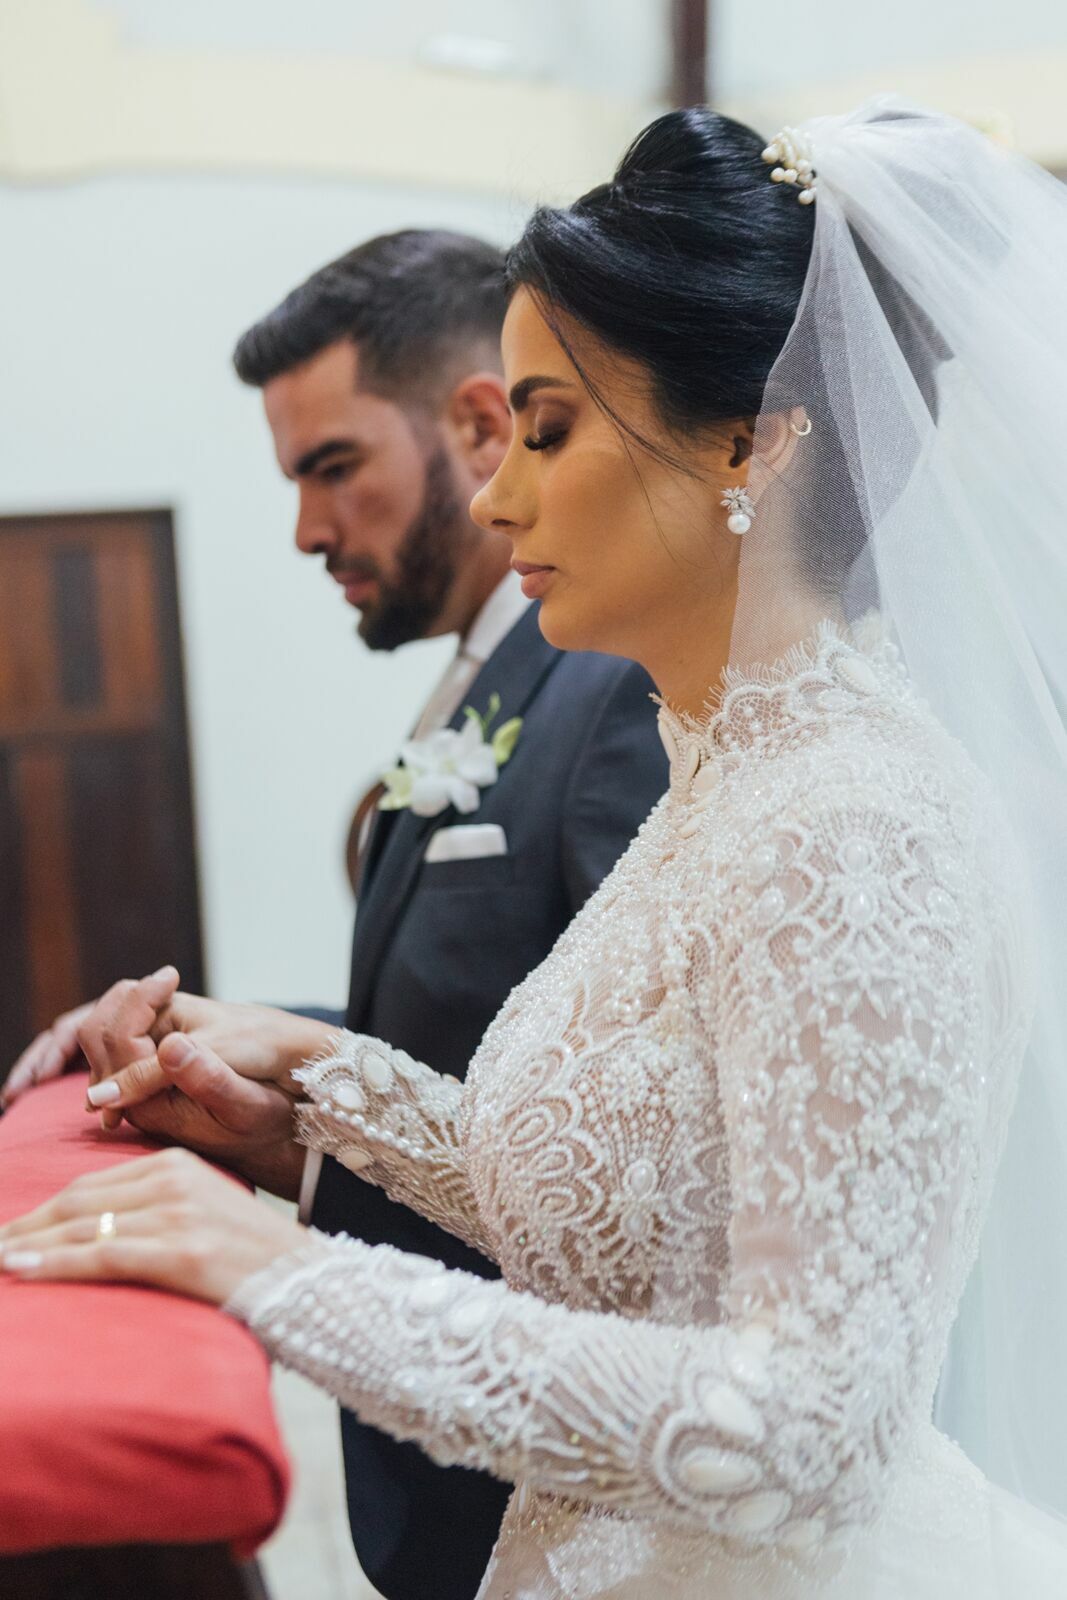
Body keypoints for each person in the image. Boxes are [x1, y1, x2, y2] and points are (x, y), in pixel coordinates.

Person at [6, 98, 1067, 1598]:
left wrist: (278, 1274)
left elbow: (814, 1430)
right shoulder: (735, 773)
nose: (501, 495)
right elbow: (632, 1193)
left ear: (747, 448)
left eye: (549, 430)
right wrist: (314, 1107)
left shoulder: (852, 823)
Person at [1, 231, 667, 1600]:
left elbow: (638, 1160)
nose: (308, 530)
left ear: (481, 427)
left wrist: (297, 1193)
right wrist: (222, 1035)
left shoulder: (611, 704)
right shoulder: (489, 685)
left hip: (559, 1478)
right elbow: (453, 1026)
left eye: (332, 467)